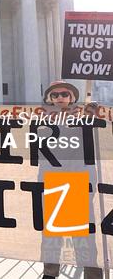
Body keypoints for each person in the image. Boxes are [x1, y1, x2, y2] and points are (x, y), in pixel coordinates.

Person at [40, 80, 103, 279]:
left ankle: (92, 275)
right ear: (49, 98)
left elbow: (97, 134)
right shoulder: (42, 119)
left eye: (64, 94)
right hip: (53, 180)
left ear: (72, 97)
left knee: (83, 234)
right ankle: (50, 273)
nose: (60, 98)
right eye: (55, 95)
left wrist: (91, 114)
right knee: (51, 234)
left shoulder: (84, 116)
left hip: (77, 180)